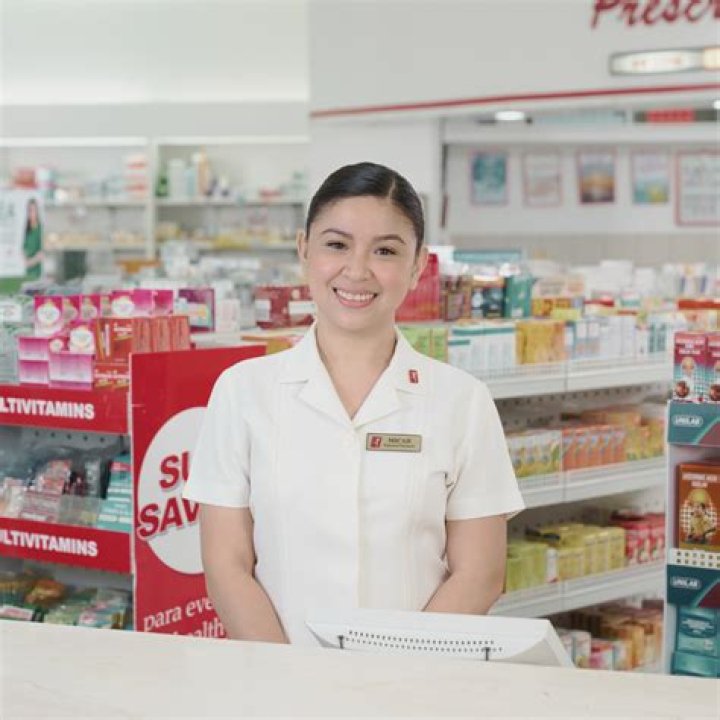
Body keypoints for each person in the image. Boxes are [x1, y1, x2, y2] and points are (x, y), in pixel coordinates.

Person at [183, 162, 524, 645]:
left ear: (418, 265)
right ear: (304, 249)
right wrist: (287, 673)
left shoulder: (462, 401)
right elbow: (226, 564)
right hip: (279, 676)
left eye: (385, 250)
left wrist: (396, 670)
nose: (358, 270)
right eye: (337, 245)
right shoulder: (243, 391)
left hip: (415, 675)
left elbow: (480, 574)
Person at [23, 198, 43, 280]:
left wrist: (30, 262)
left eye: (33, 210)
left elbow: (42, 253)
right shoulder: (27, 230)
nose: (31, 213)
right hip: (28, 272)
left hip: (38, 272)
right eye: (29, 210)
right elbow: (23, 248)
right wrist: (26, 260)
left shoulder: (40, 229)